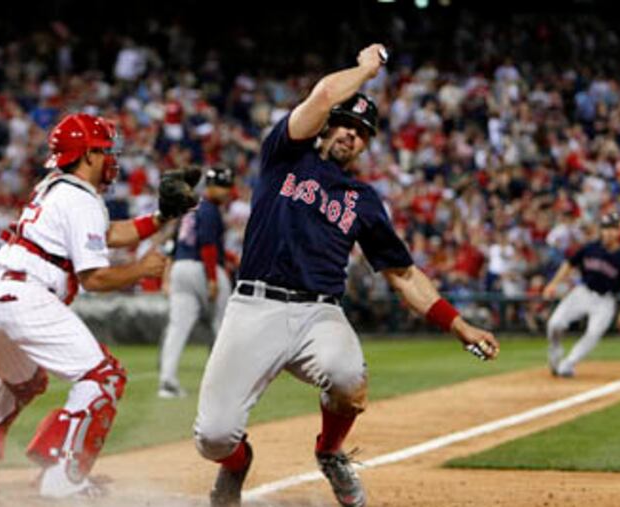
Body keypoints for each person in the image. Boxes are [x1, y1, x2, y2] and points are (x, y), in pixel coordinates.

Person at [193, 44, 499, 507]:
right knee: (214, 438)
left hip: (320, 313)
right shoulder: (284, 156)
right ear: (327, 125)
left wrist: (458, 324)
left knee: (348, 375)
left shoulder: (363, 198)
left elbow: (403, 273)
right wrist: (364, 69)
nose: (351, 135)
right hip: (255, 307)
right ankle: (237, 465)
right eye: (345, 123)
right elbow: (320, 97)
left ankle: (330, 451)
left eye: (362, 132)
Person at [0, 113, 199, 498]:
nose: (110, 157)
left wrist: (161, 216)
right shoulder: (79, 197)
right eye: (104, 149)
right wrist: (140, 269)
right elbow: (94, 279)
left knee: (22, 382)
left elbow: (107, 234)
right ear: (87, 155)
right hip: (26, 297)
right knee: (104, 376)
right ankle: (62, 477)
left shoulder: (56, 188)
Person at [158, 165, 235, 398]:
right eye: (221, 186)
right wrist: (212, 279)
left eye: (225, 186)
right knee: (222, 325)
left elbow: (174, 246)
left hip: (180, 268)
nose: (224, 191)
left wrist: (166, 277)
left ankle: (167, 382)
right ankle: (222, 382)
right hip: (203, 268)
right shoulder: (210, 210)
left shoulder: (190, 209)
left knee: (177, 328)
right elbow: (208, 246)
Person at [543, 212, 620, 378]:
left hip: (605, 300)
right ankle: (555, 351)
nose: (608, 232)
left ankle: (568, 364)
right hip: (582, 293)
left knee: (593, 334)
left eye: (612, 228)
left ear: (619, 232)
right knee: (554, 324)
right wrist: (554, 283)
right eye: (606, 228)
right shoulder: (591, 248)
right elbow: (569, 264)